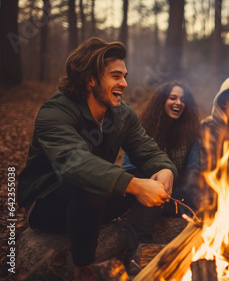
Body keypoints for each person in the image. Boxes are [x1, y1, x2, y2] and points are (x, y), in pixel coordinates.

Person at [17, 37, 177, 281]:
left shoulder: (122, 114)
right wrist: (133, 185)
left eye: (124, 76)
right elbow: (75, 164)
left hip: (92, 206)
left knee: (146, 177)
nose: (124, 83)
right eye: (116, 76)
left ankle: (139, 253)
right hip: (47, 203)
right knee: (92, 181)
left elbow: (148, 150)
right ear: (90, 79)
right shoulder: (56, 111)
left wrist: (165, 169)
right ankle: (84, 268)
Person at [123, 81, 201, 270]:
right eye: (172, 97)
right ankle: (138, 253)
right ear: (161, 101)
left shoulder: (191, 132)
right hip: (146, 189)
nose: (178, 103)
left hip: (178, 193)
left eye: (183, 99)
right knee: (148, 183)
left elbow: (194, 169)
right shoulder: (143, 129)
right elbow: (128, 167)